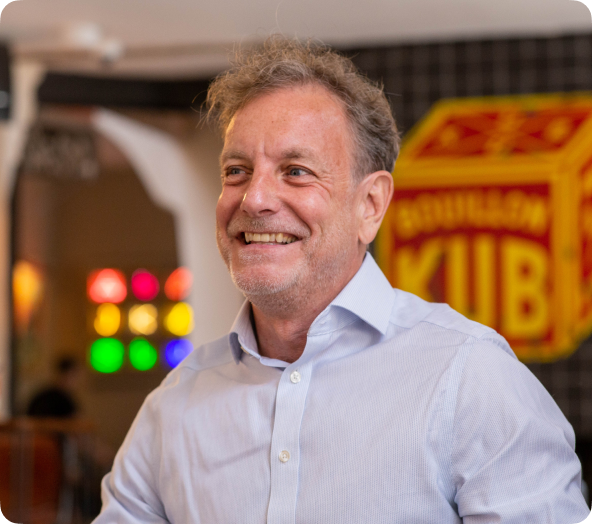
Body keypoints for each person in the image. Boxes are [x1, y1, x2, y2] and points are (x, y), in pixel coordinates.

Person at [93, 37, 590, 523]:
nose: (254, 199)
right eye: (237, 170)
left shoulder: (469, 378)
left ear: (370, 205)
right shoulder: (175, 405)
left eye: (296, 171)